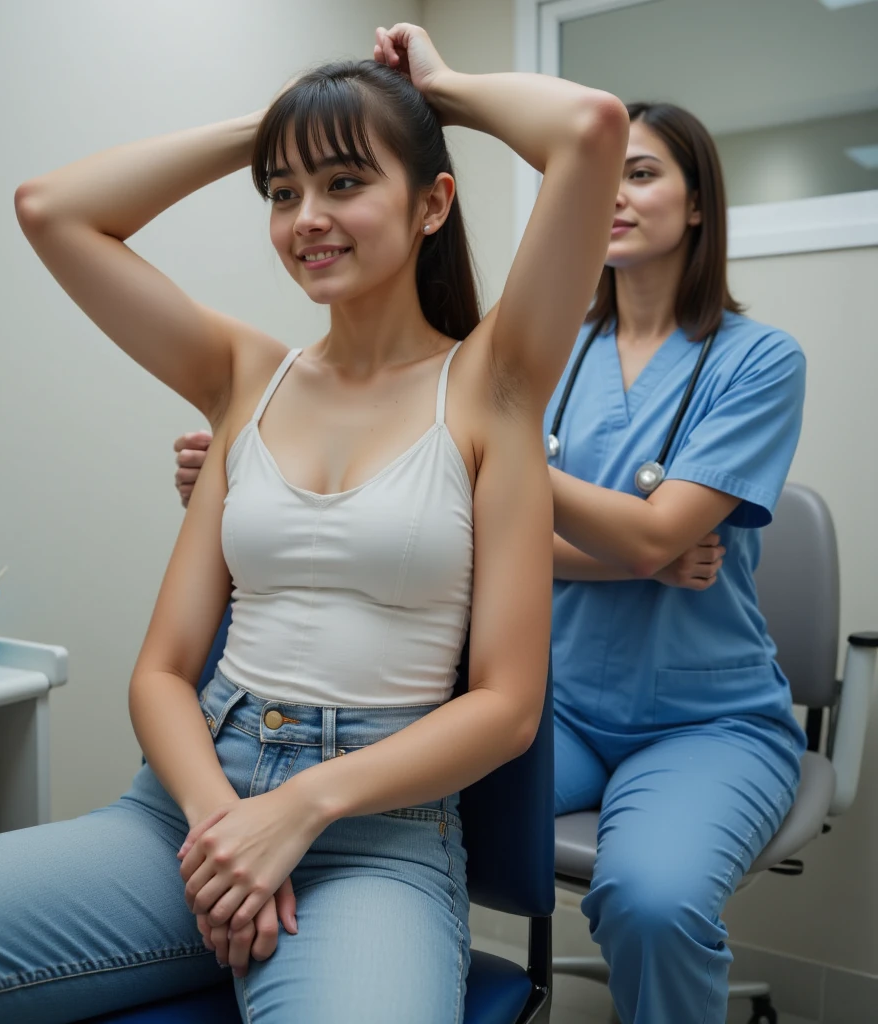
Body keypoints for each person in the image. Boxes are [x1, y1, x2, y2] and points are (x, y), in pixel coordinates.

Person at [0, 24, 629, 1024]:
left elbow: (506, 707)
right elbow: (54, 212)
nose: (307, 217)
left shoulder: (493, 383)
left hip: (373, 841)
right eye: (281, 191)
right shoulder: (244, 378)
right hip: (187, 808)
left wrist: (437, 88)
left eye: (345, 181)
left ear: (432, 202)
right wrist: (229, 831)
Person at [177, 101, 809, 1024]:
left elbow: (637, 533)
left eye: (645, 175)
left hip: (705, 719)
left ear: (699, 202)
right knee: (371, 815)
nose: (619, 198)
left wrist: (507, 481)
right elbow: (530, 534)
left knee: (651, 901)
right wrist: (255, 467)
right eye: (613, 177)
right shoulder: (549, 356)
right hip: (564, 708)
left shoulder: (757, 361)